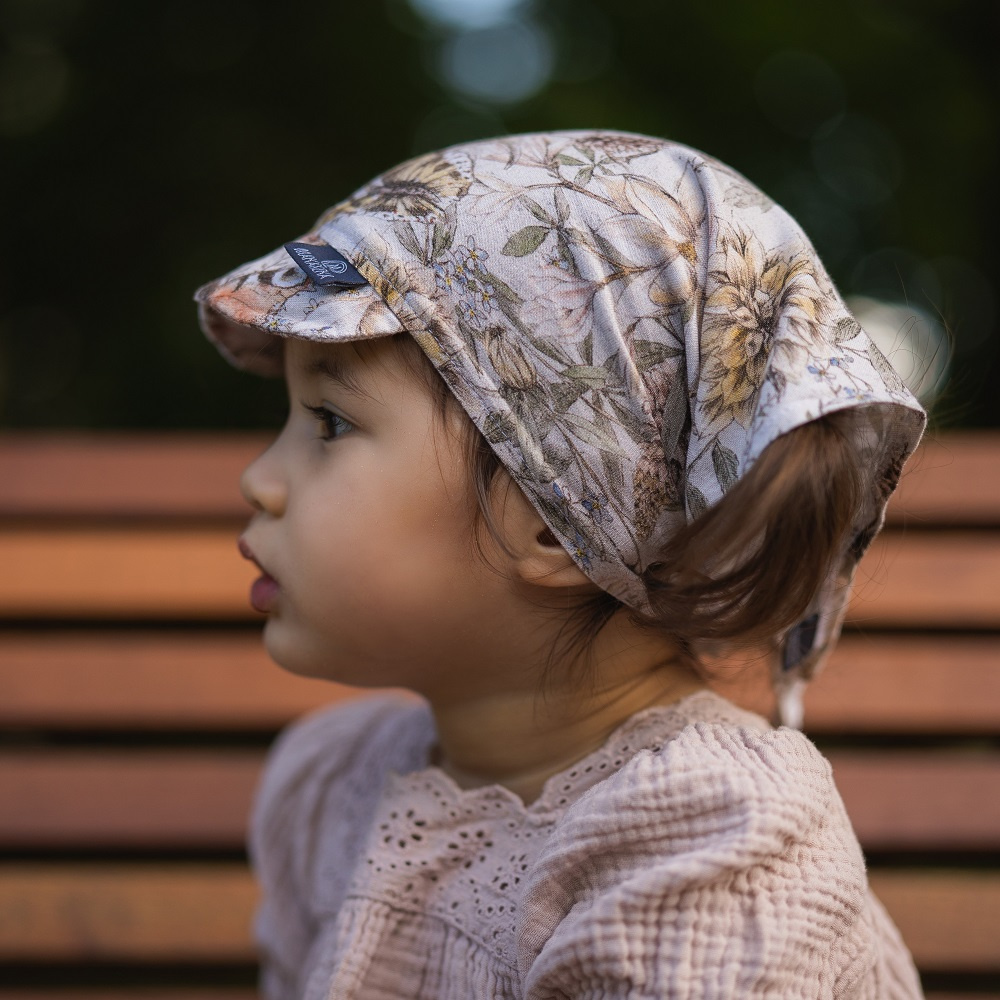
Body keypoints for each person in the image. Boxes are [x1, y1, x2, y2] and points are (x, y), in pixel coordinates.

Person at [195, 131, 926, 999]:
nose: (258, 480)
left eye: (329, 423)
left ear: (552, 517)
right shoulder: (330, 784)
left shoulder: (706, 847)